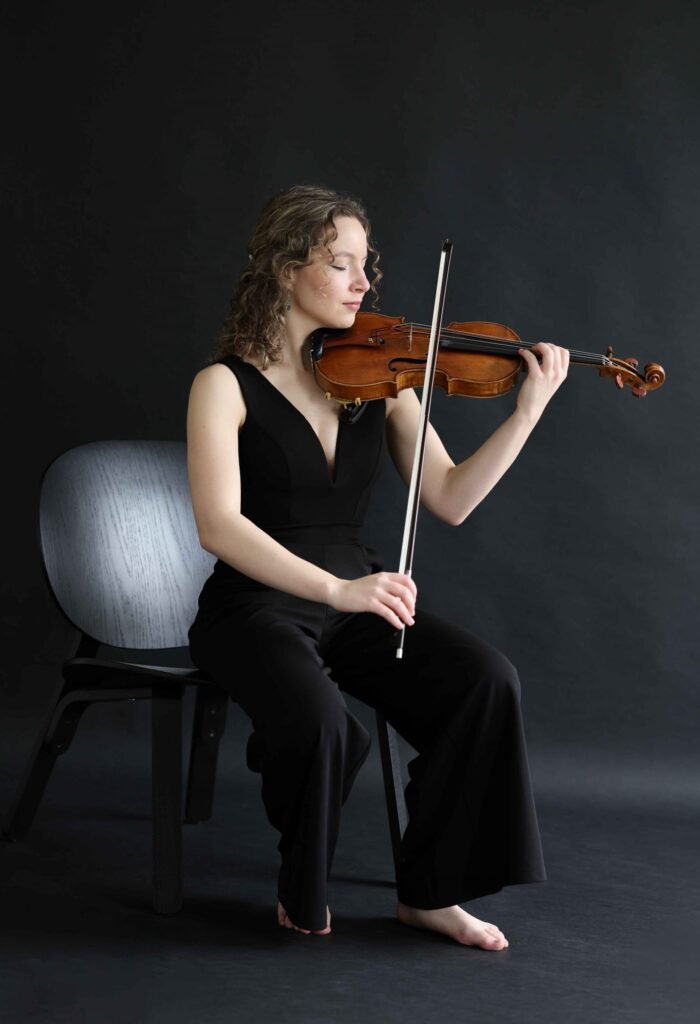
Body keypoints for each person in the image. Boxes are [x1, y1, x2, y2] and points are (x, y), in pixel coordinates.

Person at [186, 184, 569, 950]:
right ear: (287, 270)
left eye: (368, 266)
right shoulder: (222, 386)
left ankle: (430, 893)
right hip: (254, 608)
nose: (365, 284)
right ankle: (302, 888)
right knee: (324, 724)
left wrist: (525, 413)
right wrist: (336, 587)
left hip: (354, 602)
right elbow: (218, 526)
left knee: (484, 680)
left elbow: (450, 496)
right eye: (342, 264)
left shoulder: (384, 382)